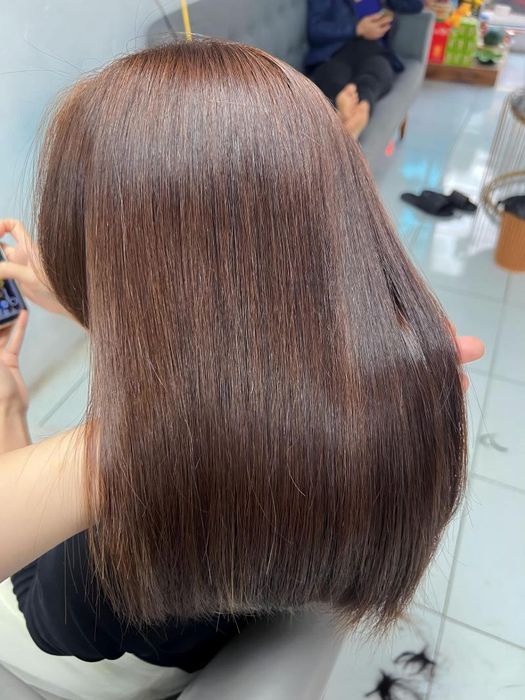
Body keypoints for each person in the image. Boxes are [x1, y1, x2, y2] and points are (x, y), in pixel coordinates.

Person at [0, 40, 483, 700]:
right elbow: (229, 347)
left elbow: (35, 605)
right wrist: (92, 310)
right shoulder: (359, 408)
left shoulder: (132, 512)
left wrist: (10, 409)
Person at [306, 0, 424, 137]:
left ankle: (361, 108)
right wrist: (357, 29)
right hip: (335, 52)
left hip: (373, 50)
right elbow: (315, 30)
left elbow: (415, 5)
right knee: (333, 73)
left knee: (376, 71)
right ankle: (345, 105)